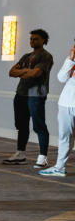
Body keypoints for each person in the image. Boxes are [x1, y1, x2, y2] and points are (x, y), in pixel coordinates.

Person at [4, 29, 53, 167]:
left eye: (36, 39)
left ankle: (42, 157)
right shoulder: (26, 56)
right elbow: (11, 72)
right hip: (21, 93)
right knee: (21, 126)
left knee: (39, 126)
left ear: (43, 40)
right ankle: (20, 154)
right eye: (31, 39)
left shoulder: (46, 56)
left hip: (36, 94)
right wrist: (25, 72)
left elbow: (36, 73)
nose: (32, 41)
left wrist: (22, 72)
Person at [39, 40, 75, 177]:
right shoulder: (71, 60)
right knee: (65, 137)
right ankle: (59, 167)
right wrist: (71, 59)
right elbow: (61, 78)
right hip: (66, 103)